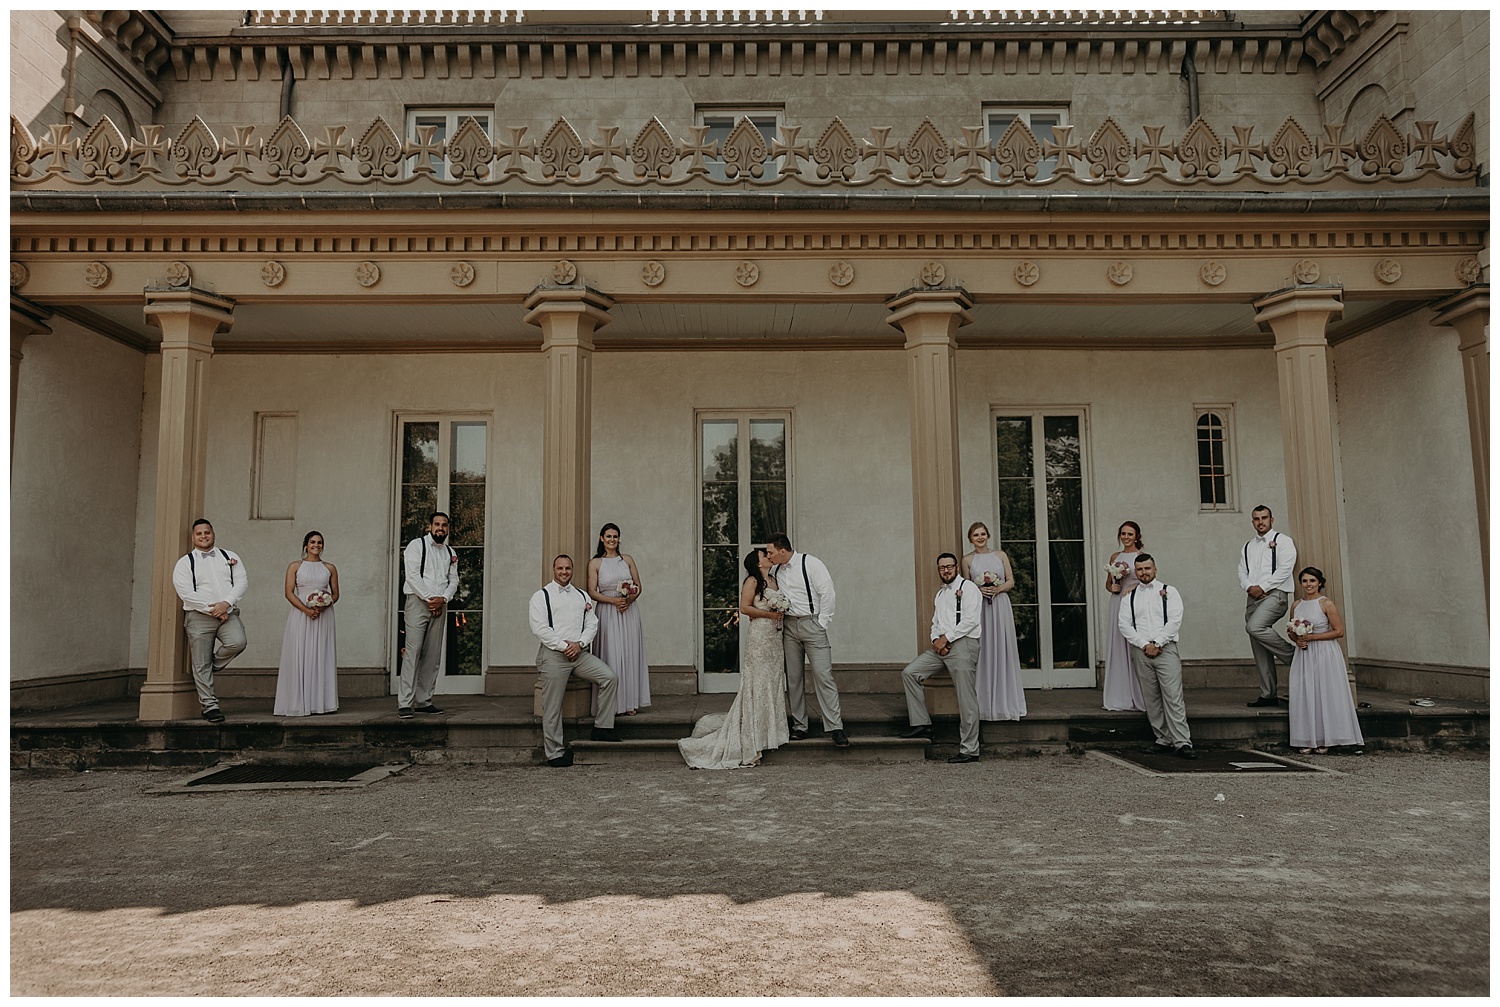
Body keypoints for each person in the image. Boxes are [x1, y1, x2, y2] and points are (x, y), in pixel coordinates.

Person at [679, 549, 791, 769]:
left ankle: (769, 732)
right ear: (757, 563)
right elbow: (744, 608)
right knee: (757, 683)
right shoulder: (752, 581)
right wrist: (771, 614)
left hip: (775, 639)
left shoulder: (774, 579)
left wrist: (781, 610)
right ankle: (753, 738)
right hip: (760, 637)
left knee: (772, 681)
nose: (768, 556)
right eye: (763, 555)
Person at [530, 555, 622, 767]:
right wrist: (565, 647)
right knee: (552, 705)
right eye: (560, 568)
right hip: (554, 654)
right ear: (553, 569)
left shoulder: (581, 595)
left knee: (609, 678)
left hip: (579, 653)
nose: (564, 572)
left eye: (568, 568)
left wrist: (579, 644)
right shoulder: (541, 596)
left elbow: (592, 624)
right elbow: (540, 629)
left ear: (573, 570)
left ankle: (602, 728)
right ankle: (554, 753)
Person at [899, 553, 984, 763]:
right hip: (942, 648)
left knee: (966, 698)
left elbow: (971, 620)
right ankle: (922, 725)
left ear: (956, 567)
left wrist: (947, 638)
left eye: (949, 567)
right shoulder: (940, 594)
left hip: (964, 645)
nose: (945, 571)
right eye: (941, 568)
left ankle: (970, 750)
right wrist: (937, 639)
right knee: (910, 673)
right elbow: (935, 622)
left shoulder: (969, 588)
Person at [765, 532, 848, 747]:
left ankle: (835, 727)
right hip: (789, 627)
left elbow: (827, 592)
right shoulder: (774, 570)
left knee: (823, 675)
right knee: (793, 678)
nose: (768, 556)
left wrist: (822, 623)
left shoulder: (811, 563)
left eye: (771, 552)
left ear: (783, 551)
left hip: (813, 624)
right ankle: (799, 726)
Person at [1117, 554, 1196, 759]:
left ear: (1155, 569)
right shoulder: (1129, 596)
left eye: (1147, 568)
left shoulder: (1169, 592)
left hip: (1166, 648)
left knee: (1173, 696)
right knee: (1151, 698)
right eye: (1140, 569)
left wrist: (1158, 643)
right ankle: (1163, 739)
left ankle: (1182, 742)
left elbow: (1175, 620)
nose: (1144, 572)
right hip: (1141, 649)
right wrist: (1144, 644)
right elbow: (1124, 624)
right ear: (1136, 571)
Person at [170, 518, 248, 723]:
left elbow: (241, 582)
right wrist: (213, 609)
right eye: (199, 533)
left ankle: (209, 666)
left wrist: (226, 604)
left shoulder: (229, 556)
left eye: (207, 532)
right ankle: (209, 706)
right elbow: (186, 593)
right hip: (199, 617)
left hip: (227, 612)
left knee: (238, 642)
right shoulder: (185, 562)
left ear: (213, 533)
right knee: (200, 663)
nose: (204, 536)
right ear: (193, 537)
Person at [1287, 567, 1364, 754]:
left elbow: (1339, 631)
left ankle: (1325, 738)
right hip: (1304, 654)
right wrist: (1298, 639)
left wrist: (1312, 638)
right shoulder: (1297, 605)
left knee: (1324, 691)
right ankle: (1306, 737)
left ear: (1320, 583)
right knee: (1305, 692)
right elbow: (1290, 630)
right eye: (1304, 581)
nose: (1308, 585)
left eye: (1312, 581)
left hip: (1324, 652)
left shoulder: (1326, 603)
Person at [960, 521, 1025, 721]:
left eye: (982, 534)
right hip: (980, 608)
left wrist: (998, 588)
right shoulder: (967, 560)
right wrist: (979, 590)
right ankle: (985, 703)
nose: (980, 538)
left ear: (988, 535)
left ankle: (1006, 700)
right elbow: (966, 586)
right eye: (975, 535)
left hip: (1000, 605)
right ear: (970, 539)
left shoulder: (1000, 555)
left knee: (1002, 647)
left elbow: (1011, 581)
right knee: (984, 648)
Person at [398, 511, 458, 720]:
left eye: (444, 525)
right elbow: (412, 576)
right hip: (418, 602)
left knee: (432, 656)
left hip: (440, 605)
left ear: (447, 528)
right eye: (437, 524)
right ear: (429, 526)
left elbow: (454, 580)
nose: (440, 528)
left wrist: (444, 599)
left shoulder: (450, 551)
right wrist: (430, 599)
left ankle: (424, 701)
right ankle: (405, 702)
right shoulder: (417, 546)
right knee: (413, 653)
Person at [273, 530, 340, 717]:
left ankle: (320, 702)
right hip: (301, 613)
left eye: (319, 542)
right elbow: (288, 592)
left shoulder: (330, 568)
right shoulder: (295, 566)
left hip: (324, 615)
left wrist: (324, 604)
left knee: (320, 653)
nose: (316, 545)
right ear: (306, 545)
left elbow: (335, 593)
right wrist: (307, 610)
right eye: (312, 542)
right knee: (300, 653)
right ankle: (297, 701)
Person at [586, 523, 650, 717]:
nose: (612, 540)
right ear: (601, 538)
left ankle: (629, 702)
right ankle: (611, 704)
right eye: (608, 536)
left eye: (615, 536)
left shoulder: (627, 560)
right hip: (607, 612)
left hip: (628, 612)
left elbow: (638, 586)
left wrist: (628, 599)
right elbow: (591, 591)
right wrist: (614, 601)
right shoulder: (595, 563)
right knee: (611, 655)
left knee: (629, 654)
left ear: (619, 539)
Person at [1238, 504, 1297, 707]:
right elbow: (1241, 571)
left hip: (1275, 594)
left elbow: (1285, 568)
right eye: (1256, 518)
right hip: (1253, 597)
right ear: (1252, 521)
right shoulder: (1248, 546)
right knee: (1258, 644)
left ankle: (1294, 656)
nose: (1260, 522)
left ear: (1272, 520)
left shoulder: (1283, 541)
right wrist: (1250, 587)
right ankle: (1268, 694)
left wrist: (1262, 586)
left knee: (1255, 627)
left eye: (1264, 518)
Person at [1101, 520, 1147, 712]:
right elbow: (1108, 583)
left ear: (1137, 536)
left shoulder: (1141, 556)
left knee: (1133, 646)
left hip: (1134, 604)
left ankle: (1139, 695)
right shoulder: (1115, 556)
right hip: (1117, 602)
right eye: (1123, 534)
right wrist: (1112, 587)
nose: (1126, 537)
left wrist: (1133, 586)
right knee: (1118, 645)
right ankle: (1118, 695)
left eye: (1130, 534)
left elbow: (1147, 580)